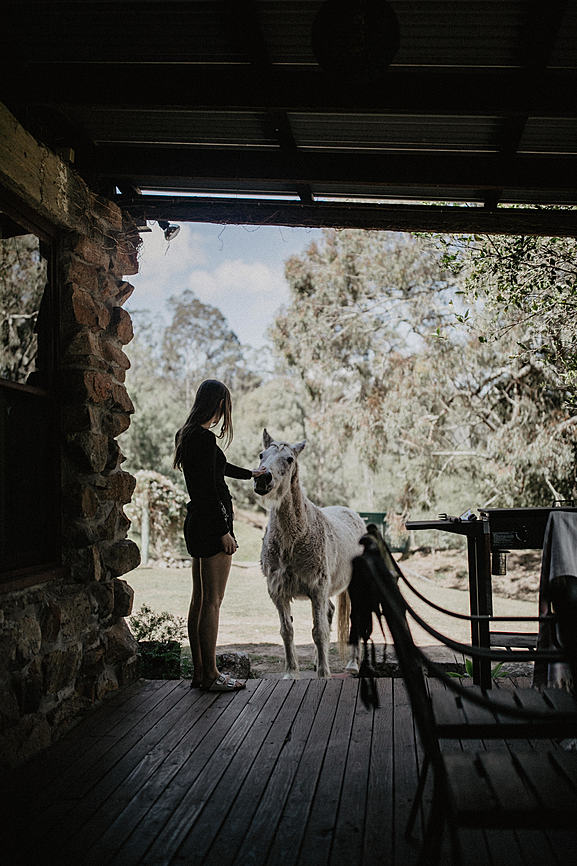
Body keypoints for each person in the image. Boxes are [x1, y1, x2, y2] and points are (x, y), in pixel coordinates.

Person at [174, 379, 264, 692]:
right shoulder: (204, 438)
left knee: (199, 600)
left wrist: (251, 473)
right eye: (224, 405)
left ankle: (200, 673)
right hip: (212, 526)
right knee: (213, 601)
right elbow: (209, 490)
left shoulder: (189, 436)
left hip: (198, 522)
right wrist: (224, 531)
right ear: (217, 404)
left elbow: (218, 469)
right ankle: (211, 675)